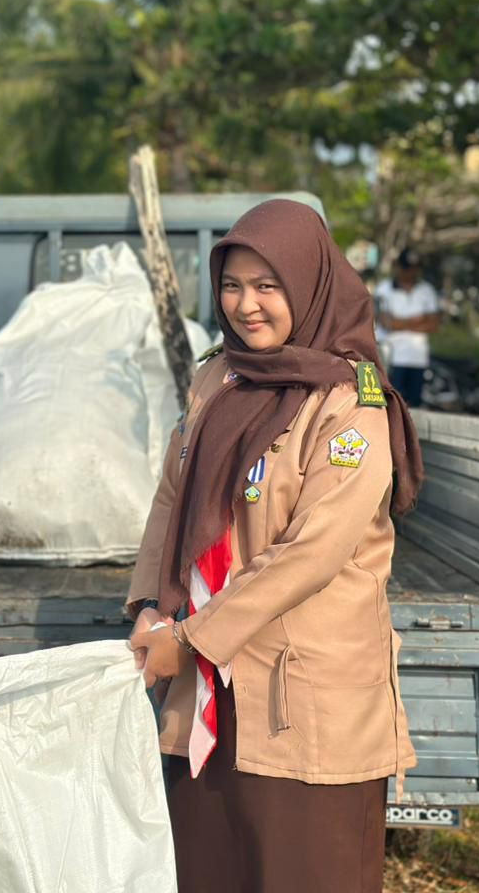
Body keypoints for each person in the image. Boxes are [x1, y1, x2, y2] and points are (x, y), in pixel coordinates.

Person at [127, 199, 423, 893]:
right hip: (208, 696)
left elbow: (311, 554)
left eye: (268, 286)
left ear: (309, 283)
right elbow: (172, 497)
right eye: (232, 286)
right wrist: (148, 602)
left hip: (304, 698)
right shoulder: (217, 378)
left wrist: (194, 639)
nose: (246, 306)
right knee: (210, 867)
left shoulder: (351, 405)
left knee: (307, 870)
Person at [374, 248, 440, 408]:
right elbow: (387, 323)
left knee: (414, 406)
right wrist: (418, 320)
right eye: (406, 268)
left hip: (417, 359)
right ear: (398, 267)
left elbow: (434, 325)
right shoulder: (383, 289)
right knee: (390, 406)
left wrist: (400, 322)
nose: (410, 273)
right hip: (392, 359)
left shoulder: (427, 291)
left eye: (414, 268)